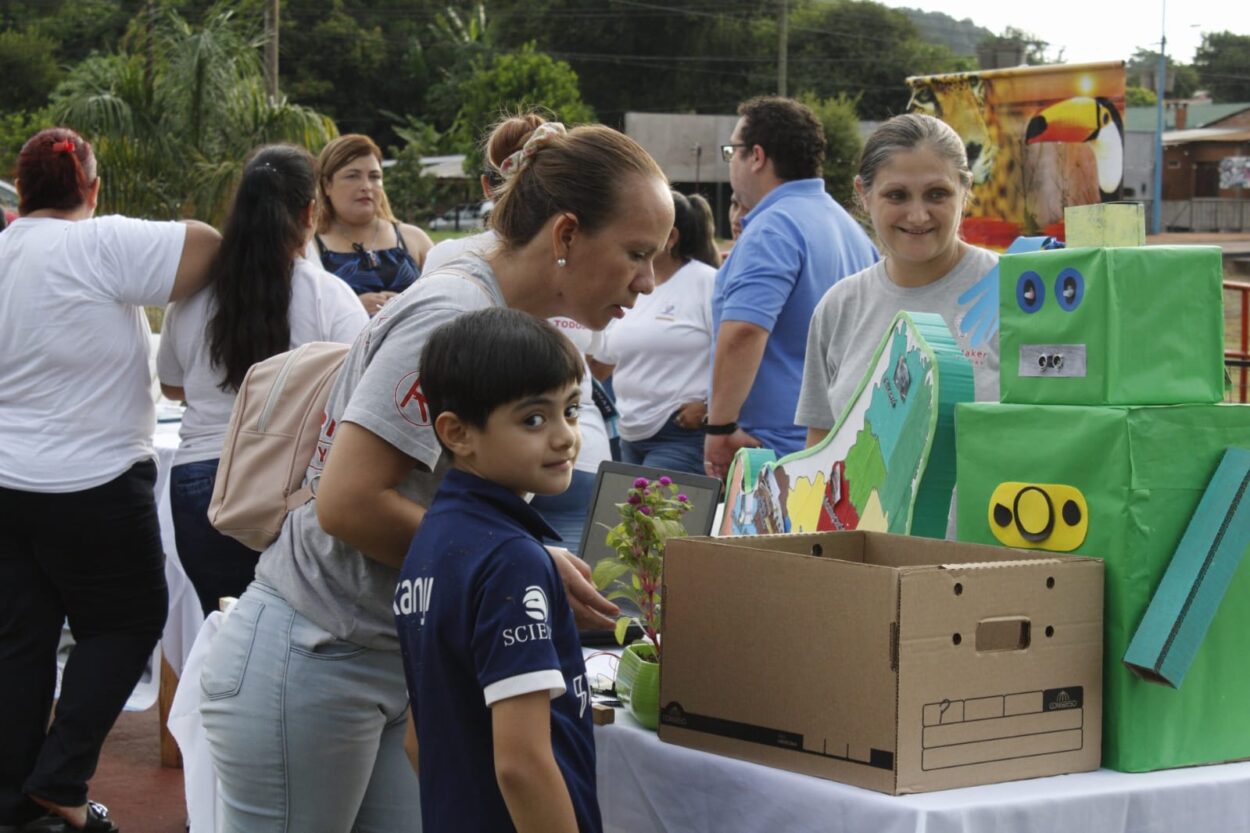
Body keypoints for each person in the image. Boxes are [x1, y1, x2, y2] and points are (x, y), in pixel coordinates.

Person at [199, 120, 672, 833]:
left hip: (381, 661)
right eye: (636, 253)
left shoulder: (487, 304)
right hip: (316, 653)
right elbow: (350, 501)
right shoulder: (452, 312)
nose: (647, 281)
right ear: (567, 234)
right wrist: (516, 564)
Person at [0, 127, 219, 833]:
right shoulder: (100, 243)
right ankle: (59, 778)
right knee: (125, 622)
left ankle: (18, 798)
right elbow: (209, 245)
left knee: (21, 637)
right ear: (92, 189)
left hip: (6, 480)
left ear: (21, 188)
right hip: (94, 477)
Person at [396, 307, 601, 833]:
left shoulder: (432, 539)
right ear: (458, 432)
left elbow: (418, 740)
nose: (564, 437)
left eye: (571, 411)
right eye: (534, 418)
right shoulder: (512, 560)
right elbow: (522, 763)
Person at [157, 145, 368, 617]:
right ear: (310, 211)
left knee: (222, 630)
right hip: (287, 485)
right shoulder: (326, 295)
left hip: (197, 484)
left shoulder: (191, 298)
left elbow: (172, 386)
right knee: (286, 637)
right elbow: (359, 390)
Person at [424, 112, 613, 552]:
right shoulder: (458, 271)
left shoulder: (450, 257)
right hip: (536, 459)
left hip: (544, 457)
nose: (643, 282)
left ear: (491, 187)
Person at [796, 113, 1000, 445]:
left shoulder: (1015, 293)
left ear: (965, 190)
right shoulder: (838, 307)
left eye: (937, 194)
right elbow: (821, 448)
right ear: (863, 193)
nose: (918, 215)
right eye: (897, 195)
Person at [705, 96, 878, 479]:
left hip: (770, 448)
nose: (731, 160)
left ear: (757, 157)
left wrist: (719, 427)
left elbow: (745, 331)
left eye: (733, 151)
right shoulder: (849, 229)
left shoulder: (772, 227)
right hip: (841, 441)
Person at [588, 190, 718, 475]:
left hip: (681, 433)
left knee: (653, 519)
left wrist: (708, 406)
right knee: (635, 518)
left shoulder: (706, 283)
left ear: (670, 238)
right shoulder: (629, 284)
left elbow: (735, 352)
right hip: (630, 433)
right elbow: (601, 364)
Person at [313, 134, 434, 316]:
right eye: (352, 176)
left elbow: (445, 300)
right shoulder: (310, 246)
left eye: (374, 176)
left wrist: (406, 305)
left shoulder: (414, 239)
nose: (366, 186)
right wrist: (352, 308)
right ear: (326, 185)